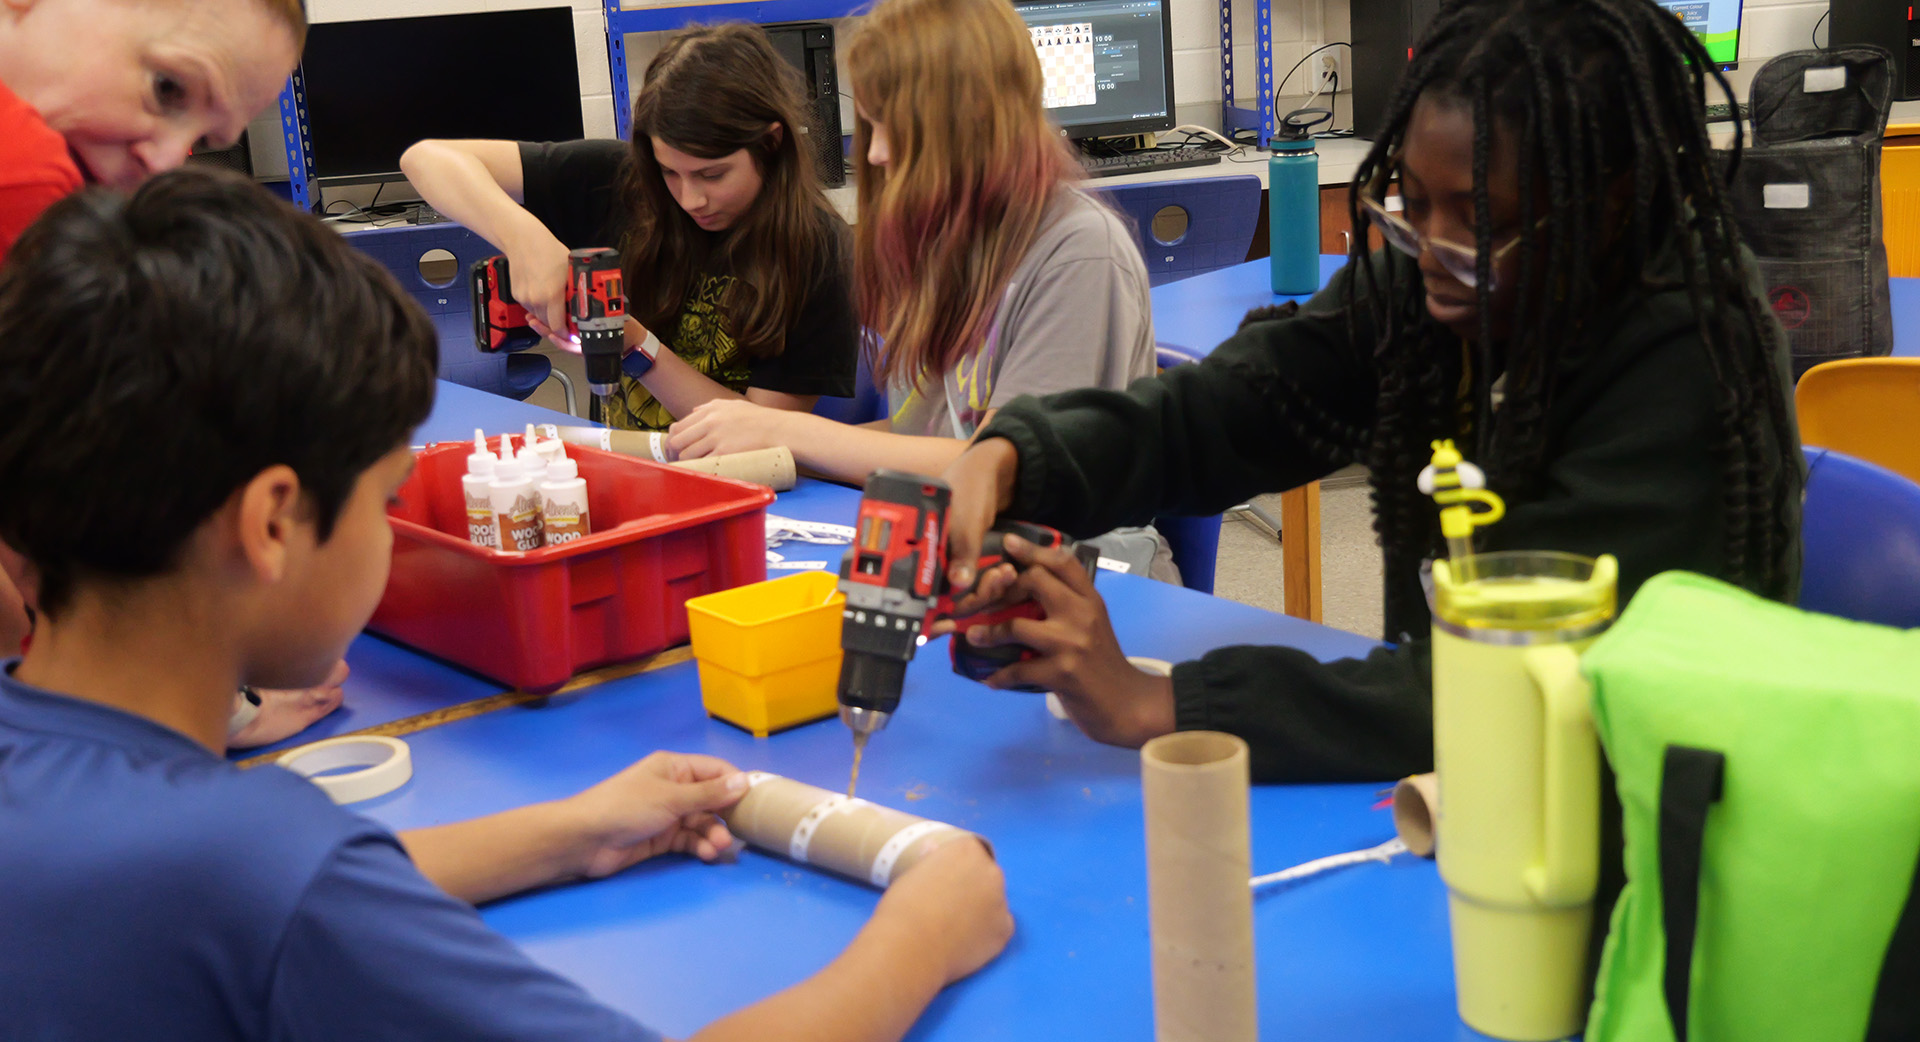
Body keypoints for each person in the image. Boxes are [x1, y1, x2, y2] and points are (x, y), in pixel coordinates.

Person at [0, 168, 1011, 1042]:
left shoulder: (78, 787)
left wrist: (569, 833)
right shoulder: (268, 879)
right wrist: (927, 929)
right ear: (271, 525)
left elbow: (283, 895)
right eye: (386, 498)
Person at [935, 0, 1802, 783]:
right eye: (1412, 206)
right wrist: (1022, 457)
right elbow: (1229, 412)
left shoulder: (1689, 351)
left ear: (1609, 204)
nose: (1430, 252)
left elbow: (1531, 682)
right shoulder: (1434, 294)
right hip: (1470, 784)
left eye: (1479, 219)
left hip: (1639, 814)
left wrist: (1158, 702)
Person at [0, 0, 344, 745]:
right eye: (167, 89)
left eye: (203, 140)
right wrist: (200, 703)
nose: (164, 159)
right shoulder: (22, 171)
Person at [661, 0, 1156, 489]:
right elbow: (924, 439)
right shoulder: (950, 242)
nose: (875, 153)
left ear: (971, 119)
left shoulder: (1079, 252)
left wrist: (783, 431)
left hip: (1057, 539)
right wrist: (768, 443)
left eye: (895, 128)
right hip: (948, 526)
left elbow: (1003, 470)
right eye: (870, 125)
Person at [401, 22, 857, 432]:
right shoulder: (618, 180)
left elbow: (764, 435)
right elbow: (425, 159)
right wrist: (525, 238)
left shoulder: (820, 252)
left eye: (712, 174)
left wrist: (635, 347)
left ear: (771, 143)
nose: (690, 199)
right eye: (669, 171)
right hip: (622, 470)